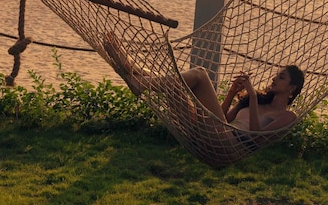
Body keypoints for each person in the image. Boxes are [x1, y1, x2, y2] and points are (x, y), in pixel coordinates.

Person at [102, 31, 304, 133]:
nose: (274, 78)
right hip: (211, 133)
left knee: (199, 74)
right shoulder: (261, 101)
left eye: (281, 77)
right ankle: (132, 68)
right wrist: (232, 93)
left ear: (292, 88)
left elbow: (256, 136)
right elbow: (223, 117)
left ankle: (136, 79)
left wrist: (251, 96)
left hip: (228, 146)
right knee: (174, 85)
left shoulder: (287, 116)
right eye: (276, 75)